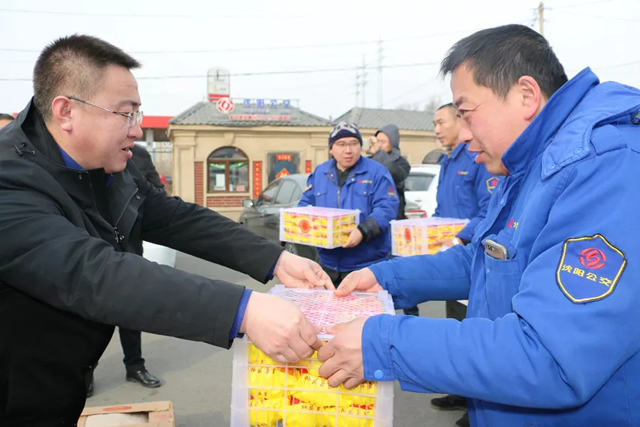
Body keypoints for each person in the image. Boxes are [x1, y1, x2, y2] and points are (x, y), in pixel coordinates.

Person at [317, 24, 640, 427]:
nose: (464, 135)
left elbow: (551, 356)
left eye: (466, 114)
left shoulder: (605, 165)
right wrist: (384, 279)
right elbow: (487, 258)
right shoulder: (531, 166)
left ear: (526, 95)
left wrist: (382, 342)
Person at [0, 35, 332, 426]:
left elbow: (175, 217)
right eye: (125, 114)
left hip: (57, 383)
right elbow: (92, 274)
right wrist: (244, 310)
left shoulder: (105, 169)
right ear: (66, 111)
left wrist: (276, 259)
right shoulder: (9, 181)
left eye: (138, 114)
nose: (137, 130)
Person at [430, 103, 501, 426]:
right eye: (434, 124)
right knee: (455, 328)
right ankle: (460, 392)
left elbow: (490, 210)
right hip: (450, 256)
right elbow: (442, 210)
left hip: (472, 258)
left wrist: (462, 237)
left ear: (460, 121)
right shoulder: (448, 160)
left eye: (441, 122)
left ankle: (476, 409)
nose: (436, 129)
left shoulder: (477, 157)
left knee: (474, 333)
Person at [86, 144, 166, 397]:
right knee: (91, 315)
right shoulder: (82, 152)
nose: (133, 131)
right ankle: (86, 372)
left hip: (129, 247)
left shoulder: (138, 154)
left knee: (130, 312)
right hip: (91, 250)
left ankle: (135, 366)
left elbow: (157, 195)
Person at [298, 121, 399, 287]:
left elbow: (387, 207)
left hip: (367, 265)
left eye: (353, 143)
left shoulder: (377, 172)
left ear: (361, 147)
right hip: (327, 265)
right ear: (331, 149)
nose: (348, 150)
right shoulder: (321, 173)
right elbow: (306, 204)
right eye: (341, 144)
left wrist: (362, 231)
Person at [367, 124, 418, 316]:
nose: (379, 144)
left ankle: (411, 314)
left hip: (396, 227)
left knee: (401, 273)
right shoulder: (372, 161)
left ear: (393, 142)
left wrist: (378, 153)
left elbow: (394, 173)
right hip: (377, 225)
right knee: (379, 273)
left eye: (383, 141)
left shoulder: (401, 163)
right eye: (377, 141)